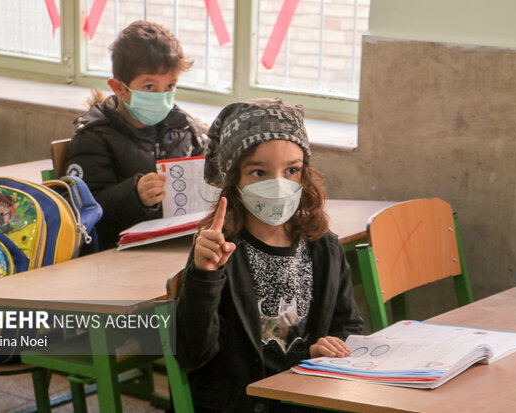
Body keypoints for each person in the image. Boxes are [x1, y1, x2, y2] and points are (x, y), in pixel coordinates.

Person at [172, 98, 364, 412]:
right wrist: (204, 276)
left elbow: (350, 327)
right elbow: (192, 354)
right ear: (233, 180)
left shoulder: (323, 247)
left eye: (291, 170)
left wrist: (329, 347)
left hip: (310, 396)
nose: (278, 184)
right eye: (259, 172)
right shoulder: (218, 252)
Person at [65, 20, 208, 250]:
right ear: (119, 88)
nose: (162, 97)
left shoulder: (186, 130)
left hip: (180, 247)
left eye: (170, 86)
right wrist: (134, 196)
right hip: (118, 255)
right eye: (150, 87)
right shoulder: (94, 138)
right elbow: (83, 214)